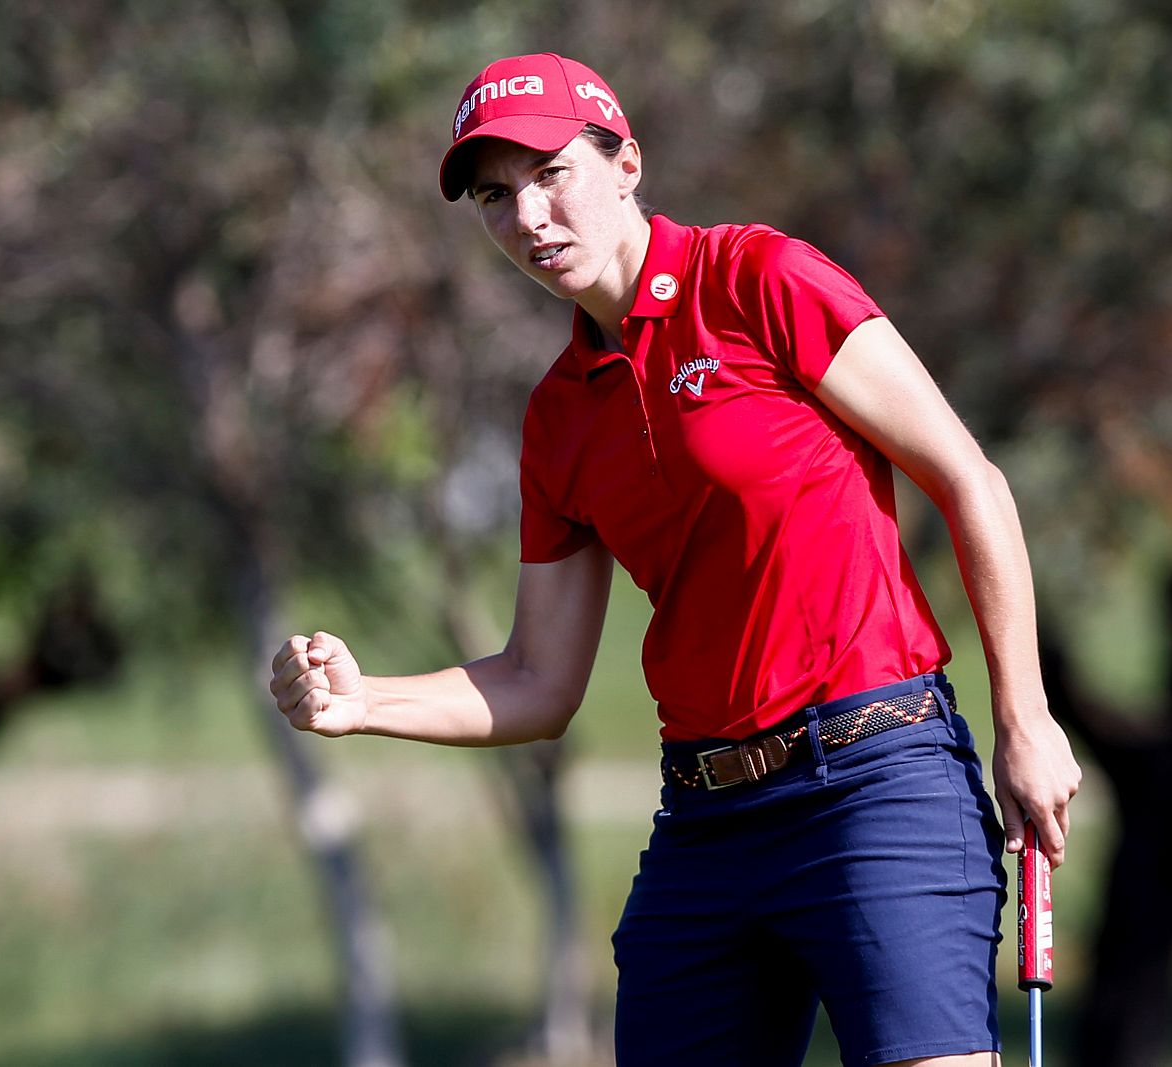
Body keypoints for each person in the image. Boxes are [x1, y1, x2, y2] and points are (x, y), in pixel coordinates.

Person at [271, 52, 1081, 1067]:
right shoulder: (558, 416)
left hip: (876, 782)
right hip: (708, 824)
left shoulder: (759, 281)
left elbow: (971, 481)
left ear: (626, 164)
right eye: (494, 194)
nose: (526, 217)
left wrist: (1026, 719)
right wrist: (363, 702)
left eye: (550, 173)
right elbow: (537, 680)